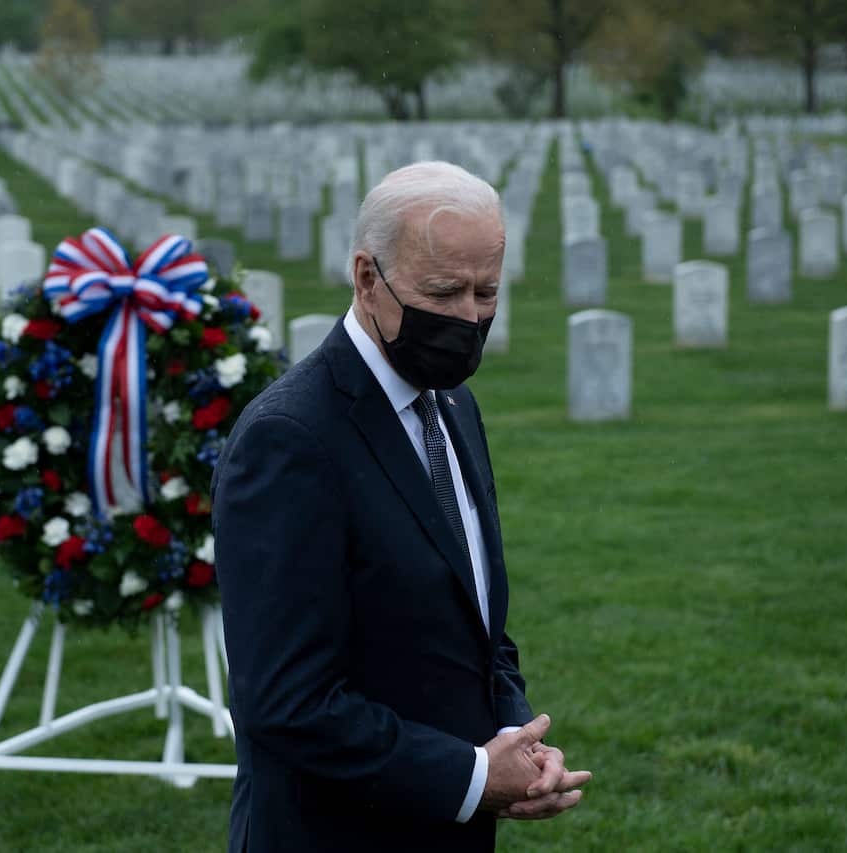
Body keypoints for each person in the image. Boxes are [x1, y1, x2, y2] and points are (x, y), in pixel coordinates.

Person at [212, 161, 591, 852]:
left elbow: (474, 623)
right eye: (445, 292)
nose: (470, 318)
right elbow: (286, 702)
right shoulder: (291, 440)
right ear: (366, 277)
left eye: (488, 292)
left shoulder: (453, 405)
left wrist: (515, 740)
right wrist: (474, 777)